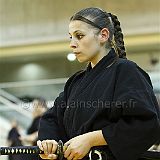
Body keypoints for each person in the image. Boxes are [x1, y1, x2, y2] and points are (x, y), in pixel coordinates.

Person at [37, 7, 160, 160]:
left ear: (103, 35)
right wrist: (50, 142)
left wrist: (92, 139)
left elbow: (145, 125)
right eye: (71, 37)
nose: (72, 44)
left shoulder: (126, 71)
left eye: (79, 36)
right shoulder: (76, 81)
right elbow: (52, 118)